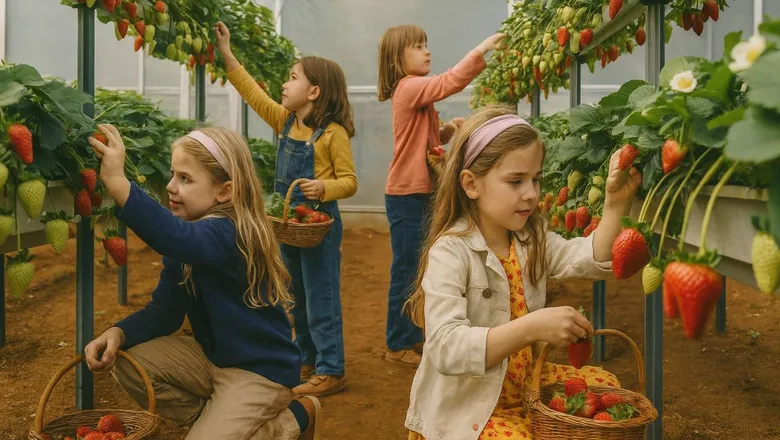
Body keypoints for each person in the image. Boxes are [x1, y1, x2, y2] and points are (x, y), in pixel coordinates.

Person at [404, 105, 643, 440]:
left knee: (607, 386)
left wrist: (615, 204)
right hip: (474, 406)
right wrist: (531, 327)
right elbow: (446, 347)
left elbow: (592, 258)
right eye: (516, 181)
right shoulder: (451, 252)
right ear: (471, 184)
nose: (531, 193)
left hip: (525, 382)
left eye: (535, 179)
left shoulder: (531, 240)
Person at [84, 124, 321, 440]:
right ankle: (221, 425)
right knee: (127, 360)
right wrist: (119, 332)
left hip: (259, 372)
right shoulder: (189, 237)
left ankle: (292, 419)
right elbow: (165, 312)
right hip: (212, 359)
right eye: (173, 174)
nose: (171, 186)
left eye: (185, 178)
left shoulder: (228, 232)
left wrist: (117, 181)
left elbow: (177, 238)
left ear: (224, 191)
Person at [216, 22, 357, 397]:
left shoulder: (333, 134)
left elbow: (349, 181)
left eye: (293, 78)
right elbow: (252, 92)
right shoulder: (285, 121)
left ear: (314, 91)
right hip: (286, 226)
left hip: (320, 227)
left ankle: (331, 369)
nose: (284, 84)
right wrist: (227, 53)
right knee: (295, 294)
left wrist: (324, 187)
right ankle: (307, 358)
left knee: (322, 295)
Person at [377, 25, 506, 367]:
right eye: (418, 46)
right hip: (406, 194)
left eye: (426, 44)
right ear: (397, 58)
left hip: (417, 192)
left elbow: (424, 139)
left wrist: (447, 130)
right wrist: (481, 48)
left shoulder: (414, 93)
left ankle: (410, 336)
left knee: (418, 266)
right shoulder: (408, 87)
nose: (427, 51)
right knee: (407, 269)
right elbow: (449, 81)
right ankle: (397, 342)